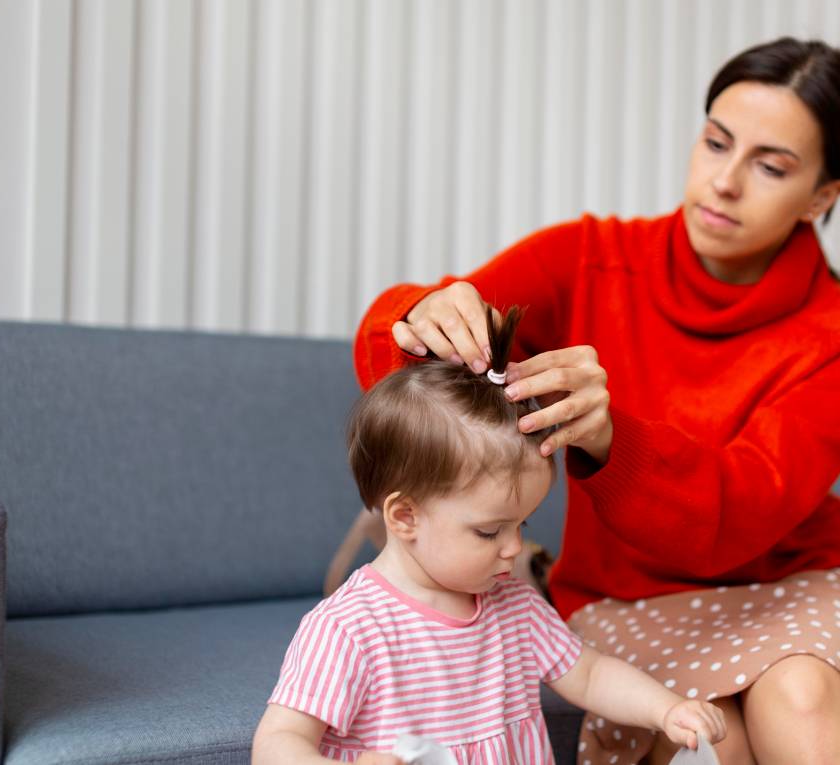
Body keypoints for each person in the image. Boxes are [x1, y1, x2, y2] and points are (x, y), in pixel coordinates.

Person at [348, 37, 840, 765]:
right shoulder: (586, 257)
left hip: (796, 584)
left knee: (797, 696)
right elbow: (394, 362)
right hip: (621, 597)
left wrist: (614, 440)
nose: (725, 181)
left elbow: (739, 514)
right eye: (715, 143)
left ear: (823, 196)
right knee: (716, 741)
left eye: (770, 165)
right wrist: (422, 314)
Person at [252, 306, 727, 764]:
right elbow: (279, 741)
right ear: (404, 517)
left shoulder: (514, 606)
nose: (515, 547)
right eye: (488, 531)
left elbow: (591, 674)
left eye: (522, 524)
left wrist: (666, 709)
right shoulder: (350, 630)